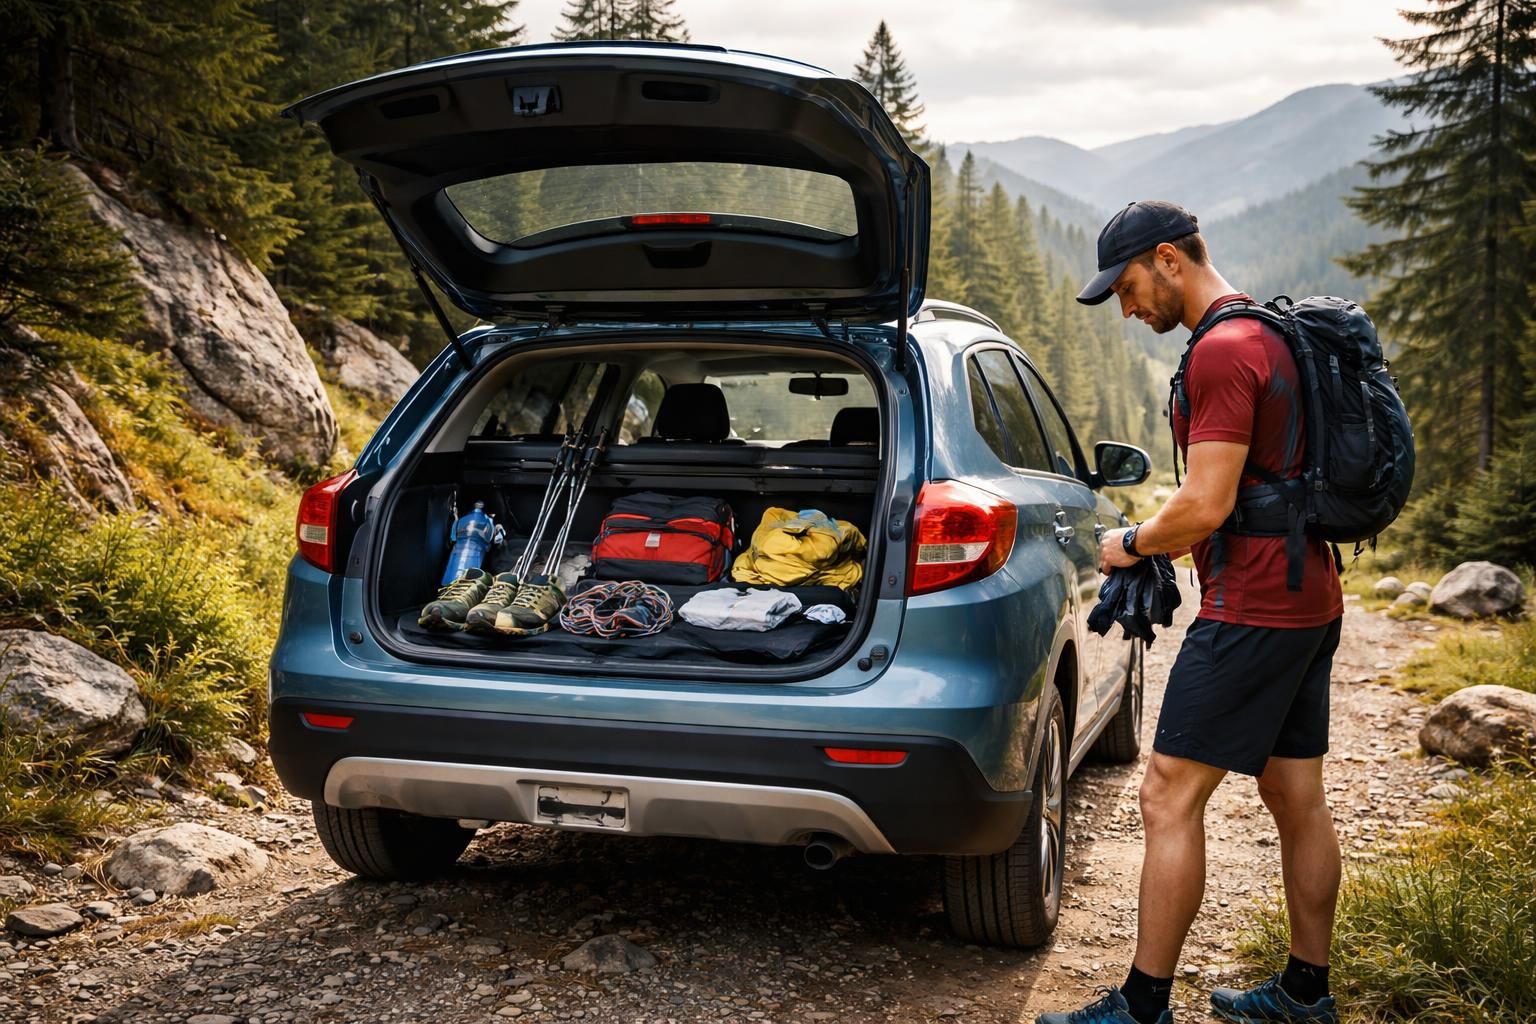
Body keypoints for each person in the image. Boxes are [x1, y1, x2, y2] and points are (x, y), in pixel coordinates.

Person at [1037, 201, 1343, 1024]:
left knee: (1167, 794)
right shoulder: (1268, 332)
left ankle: (1142, 1007)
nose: (1130, 310)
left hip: (1253, 608)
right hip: (1309, 592)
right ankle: (1306, 994)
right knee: (1295, 795)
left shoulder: (1222, 352)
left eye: (1130, 288)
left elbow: (1205, 505)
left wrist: (1132, 542)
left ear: (1169, 259)